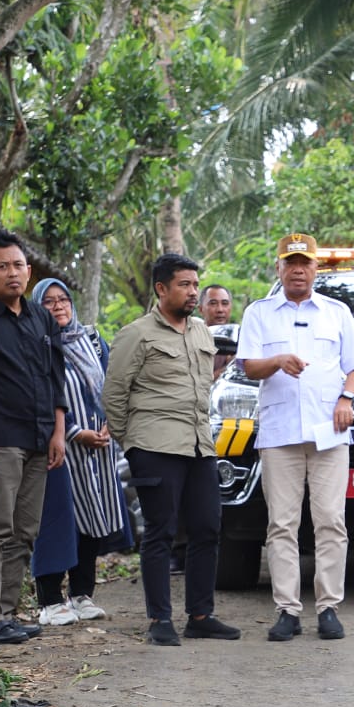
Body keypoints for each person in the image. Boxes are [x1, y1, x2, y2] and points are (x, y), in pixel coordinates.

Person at [235, 233, 354, 642]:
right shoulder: (259, 312)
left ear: (315, 268)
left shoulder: (336, 312)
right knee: (281, 524)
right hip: (280, 434)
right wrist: (277, 361)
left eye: (305, 263)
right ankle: (287, 610)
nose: (297, 270)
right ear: (278, 268)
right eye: (290, 263)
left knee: (331, 521)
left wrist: (347, 398)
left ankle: (328, 608)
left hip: (330, 432)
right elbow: (248, 367)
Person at [104, 254, 239, 645]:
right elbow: (114, 394)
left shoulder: (201, 332)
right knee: (160, 532)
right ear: (161, 289)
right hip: (155, 446)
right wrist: (132, 445)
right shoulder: (136, 334)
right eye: (185, 285)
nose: (193, 292)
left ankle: (201, 615)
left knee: (207, 528)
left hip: (199, 446)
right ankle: (159, 620)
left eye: (195, 284)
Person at [0, 229, 66, 646]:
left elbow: (56, 378)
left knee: (25, 531)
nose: (12, 273)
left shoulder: (42, 318)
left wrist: (58, 431)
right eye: (2, 266)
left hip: (39, 436)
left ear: (29, 270)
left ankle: (7, 613)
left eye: (18, 265)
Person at [30, 279, 133, 627]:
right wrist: (75, 432)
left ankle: (81, 594)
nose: (58, 306)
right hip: (58, 446)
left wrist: (110, 424)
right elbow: (40, 395)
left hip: (98, 448)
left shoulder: (91, 341)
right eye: (48, 302)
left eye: (63, 300)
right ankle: (49, 600)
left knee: (92, 516)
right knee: (58, 520)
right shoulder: (37, 344)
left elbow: (112, 384)